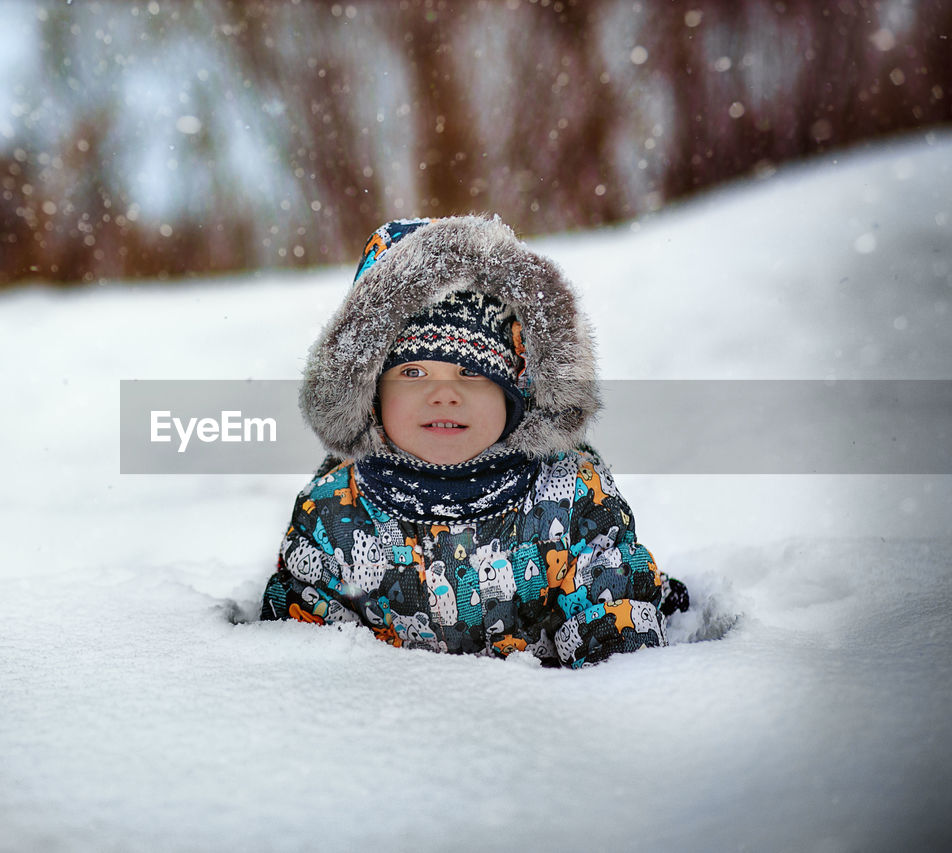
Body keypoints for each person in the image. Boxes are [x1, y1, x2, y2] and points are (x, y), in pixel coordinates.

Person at [259, 214, 687, 667]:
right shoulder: (332, 514)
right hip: (384, 728)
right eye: (413, 372)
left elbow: (614, 622)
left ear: (516, 392)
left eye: (471, 371)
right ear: (370, 395)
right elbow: (300, 654)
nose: (444, 394)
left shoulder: (572, 497)